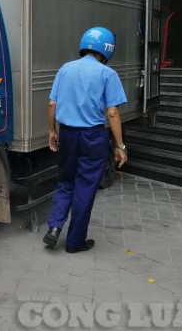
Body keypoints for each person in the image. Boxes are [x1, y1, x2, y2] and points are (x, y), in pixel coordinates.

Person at [42, 27, 128, 254]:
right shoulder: (107, 74)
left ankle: (54, 227)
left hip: (68, 134)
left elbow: (52, 104)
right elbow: (112, 113)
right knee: (85, 186)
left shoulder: (65, 69)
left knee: (65, 181)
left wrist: (52, 131)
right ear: (108, 49)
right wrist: (120, 146)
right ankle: (74, 242)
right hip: (92, 136)